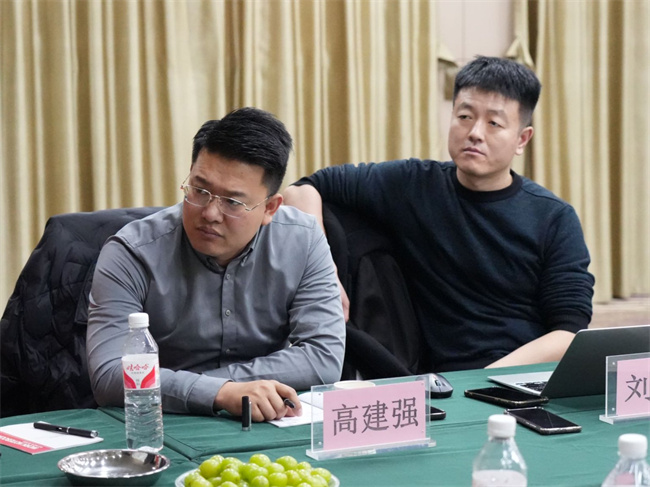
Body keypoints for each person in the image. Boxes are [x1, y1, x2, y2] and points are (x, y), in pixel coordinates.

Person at [283, 56, 595, 372]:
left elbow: (569, 332)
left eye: (494, 123)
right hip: (439, 381)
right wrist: (324, 277)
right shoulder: (413, 184)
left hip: (522, 375)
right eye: (464, 116)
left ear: (522, 139)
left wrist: (486, 379)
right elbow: (301, 190)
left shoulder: (553, 218)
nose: (475, 133)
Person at [87, 107, 345, 421]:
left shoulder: (303, 241)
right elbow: (109, 374)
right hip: (160, 422)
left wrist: (213, 386)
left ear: (270, 208)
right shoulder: (132, 252)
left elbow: (323, 357)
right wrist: (220, 392)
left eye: (233, 202)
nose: (209, 213)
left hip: (265, 420)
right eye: (199, 190)